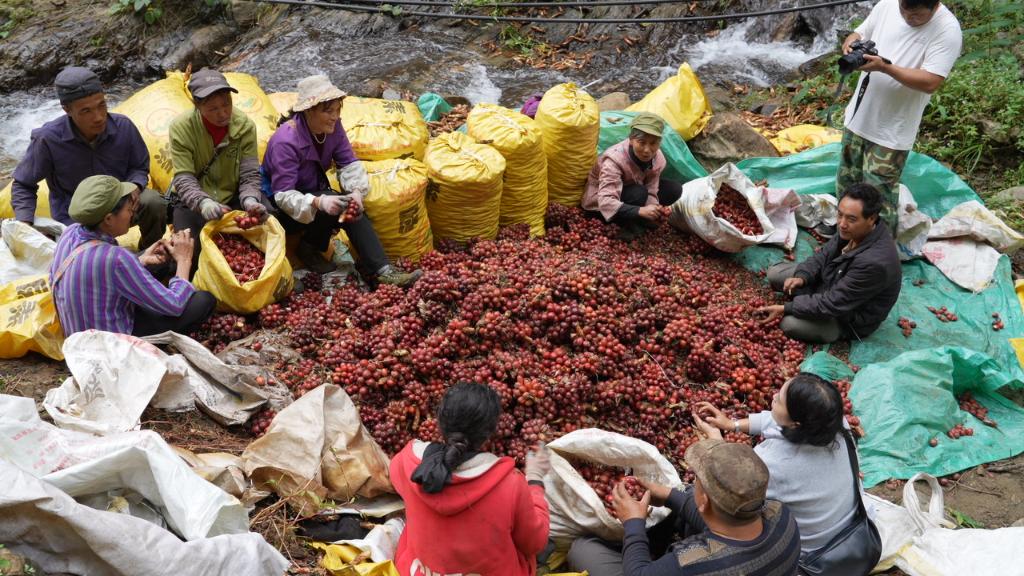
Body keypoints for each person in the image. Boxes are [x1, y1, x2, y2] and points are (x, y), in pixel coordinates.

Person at [262, 75, 421, 286]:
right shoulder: (286, 141)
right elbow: (283, 195)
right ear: (308, 111)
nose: (335, 117)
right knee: (334, 202)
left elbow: (348, 162)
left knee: (350, 205)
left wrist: (356, 192)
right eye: (328, 111)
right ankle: (314, 250)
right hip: (280, 207)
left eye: (338, 110)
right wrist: (318, 202)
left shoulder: (333, 127)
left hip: (314, 190)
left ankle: (381, 270)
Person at [694, 373, 871, 561]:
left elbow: (733, 487)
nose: (773, 396)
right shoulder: (833, 424)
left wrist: (718, 444)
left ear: (796, 424)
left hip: (813, 554)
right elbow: (778, 421)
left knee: (712, 512)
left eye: (779, 400)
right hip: (853, 530)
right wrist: (732, 424)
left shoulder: (773, 464)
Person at [568, 438, 801, 576]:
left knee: (582, 550)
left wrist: (633, 524)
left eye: (696, 481)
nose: (693, 483)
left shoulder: (691, 562)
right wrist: (669, 496)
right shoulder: (782, 514)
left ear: (705, 501)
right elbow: (712, 518)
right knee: (680, 510)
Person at [389, 382, 551, 576]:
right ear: (491, 433)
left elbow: (397, 479)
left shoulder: (406, 461)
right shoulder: (511, 483)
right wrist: (535, 478)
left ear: (439, 422)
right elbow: (535, 543)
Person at [837, 0, 962, 234]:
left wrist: (885, 67)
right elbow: (860, 32)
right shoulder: (888, 4)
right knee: (847, 186)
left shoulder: (947, 29)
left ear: (934, 6)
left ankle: (881, 251)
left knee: (877, 199)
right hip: (858, 118)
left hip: (892, 132)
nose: (907, 18)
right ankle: (844, 238)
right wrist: (851, 43)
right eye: (903, 11)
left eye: (915, 16)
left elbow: (931, 81)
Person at [11, 66, 166, 248]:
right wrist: (25, 225)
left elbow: (139, 167)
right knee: (97, 258)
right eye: (86, 111)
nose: (98, 117)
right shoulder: (48, 139)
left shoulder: (123, 127)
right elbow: (23, 184)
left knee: (154, 202)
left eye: (102, 105)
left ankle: (152, 253)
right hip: (77, 218)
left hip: (120, 205)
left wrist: (134, 186)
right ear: (67, 110)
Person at [50, 175, 215, 337]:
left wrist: (140, 259)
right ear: (108, 219)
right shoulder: (116, 258)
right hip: (108, 344)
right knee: (203, 301)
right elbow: (175, 305)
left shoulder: (70, 232)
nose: (132, 215)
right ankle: (154, 343)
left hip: (75, 335)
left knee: (157, 266)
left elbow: (94, 272)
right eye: (129, 210)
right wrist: (184, 260)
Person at [756, 183, 901, 343]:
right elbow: (822, 256)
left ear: (871, 218)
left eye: (851, 219)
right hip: (831, 282)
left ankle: (835, 330)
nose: (842, 224)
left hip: (845, 316)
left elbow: (834, 302)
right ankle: (808, 298)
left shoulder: (874, 263)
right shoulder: (853, 230)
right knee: (775, 274)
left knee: (789, 324)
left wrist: (787, 308)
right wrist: (802, 276)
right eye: (840, 215)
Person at [168, 67, 271, 270]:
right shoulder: (181, 128)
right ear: (197, 105)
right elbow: (184, 177)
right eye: (213, 109)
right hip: (194, 199)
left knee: (267, 221)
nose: (223, 113)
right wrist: (203, 203)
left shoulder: (244, 126)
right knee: (190, 248)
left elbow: (249, 173)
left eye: (226, 104)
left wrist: (250, 199)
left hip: (233, 194)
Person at [582, 112, 683, 241]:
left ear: (659, 143)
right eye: (641, 142)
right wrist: (640, 211)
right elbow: (606, 201)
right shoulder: (614, 160)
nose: (647, 150)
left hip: (633, 191)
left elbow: (652, 188)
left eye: (653, 143)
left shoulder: (658, 159)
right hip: (601, 203)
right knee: (638, 193)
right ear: (631, 140)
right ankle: (625, 226)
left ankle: (640, 220)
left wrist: (653, 208)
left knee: (674, 189)